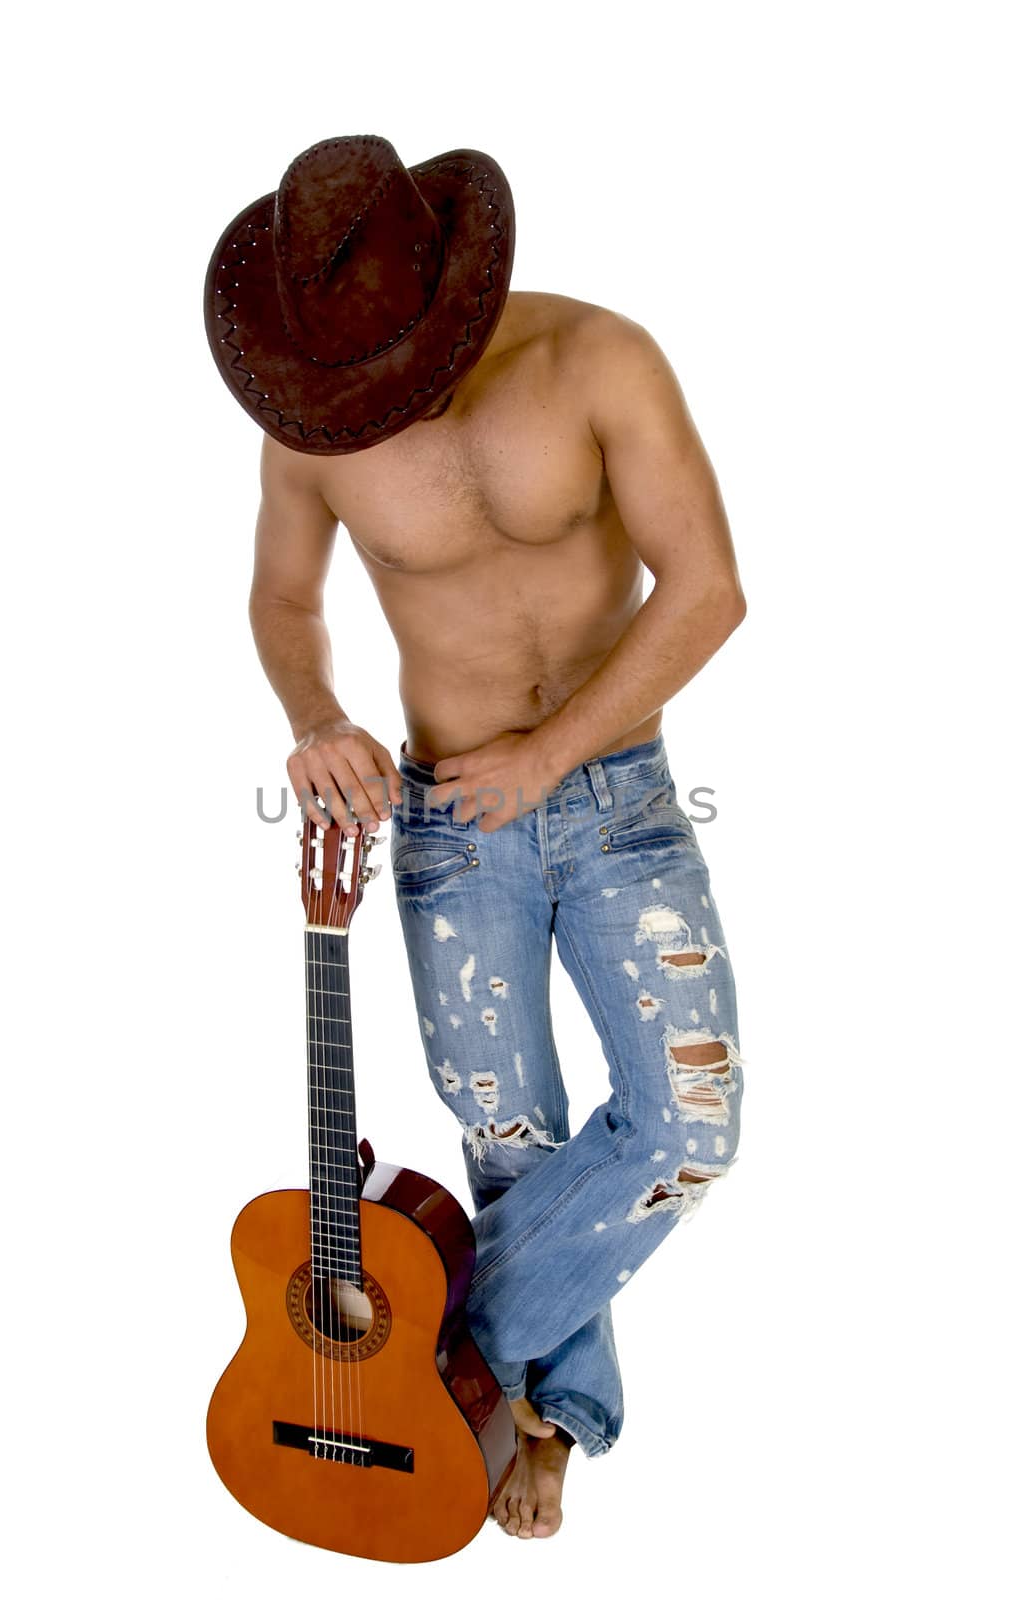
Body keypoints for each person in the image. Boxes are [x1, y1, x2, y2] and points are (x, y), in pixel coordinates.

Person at [204, 134, 747, 1540]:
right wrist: (317, 714)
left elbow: (707, 592)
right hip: (445, 821)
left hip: (618, 792)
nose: (374, 404)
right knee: (511, 1139)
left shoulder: (597, 362)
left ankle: (435, 1344)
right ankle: (550, 1419)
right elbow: (282, 602)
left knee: (687, 1129)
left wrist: (553, 755)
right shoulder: (312, 426)